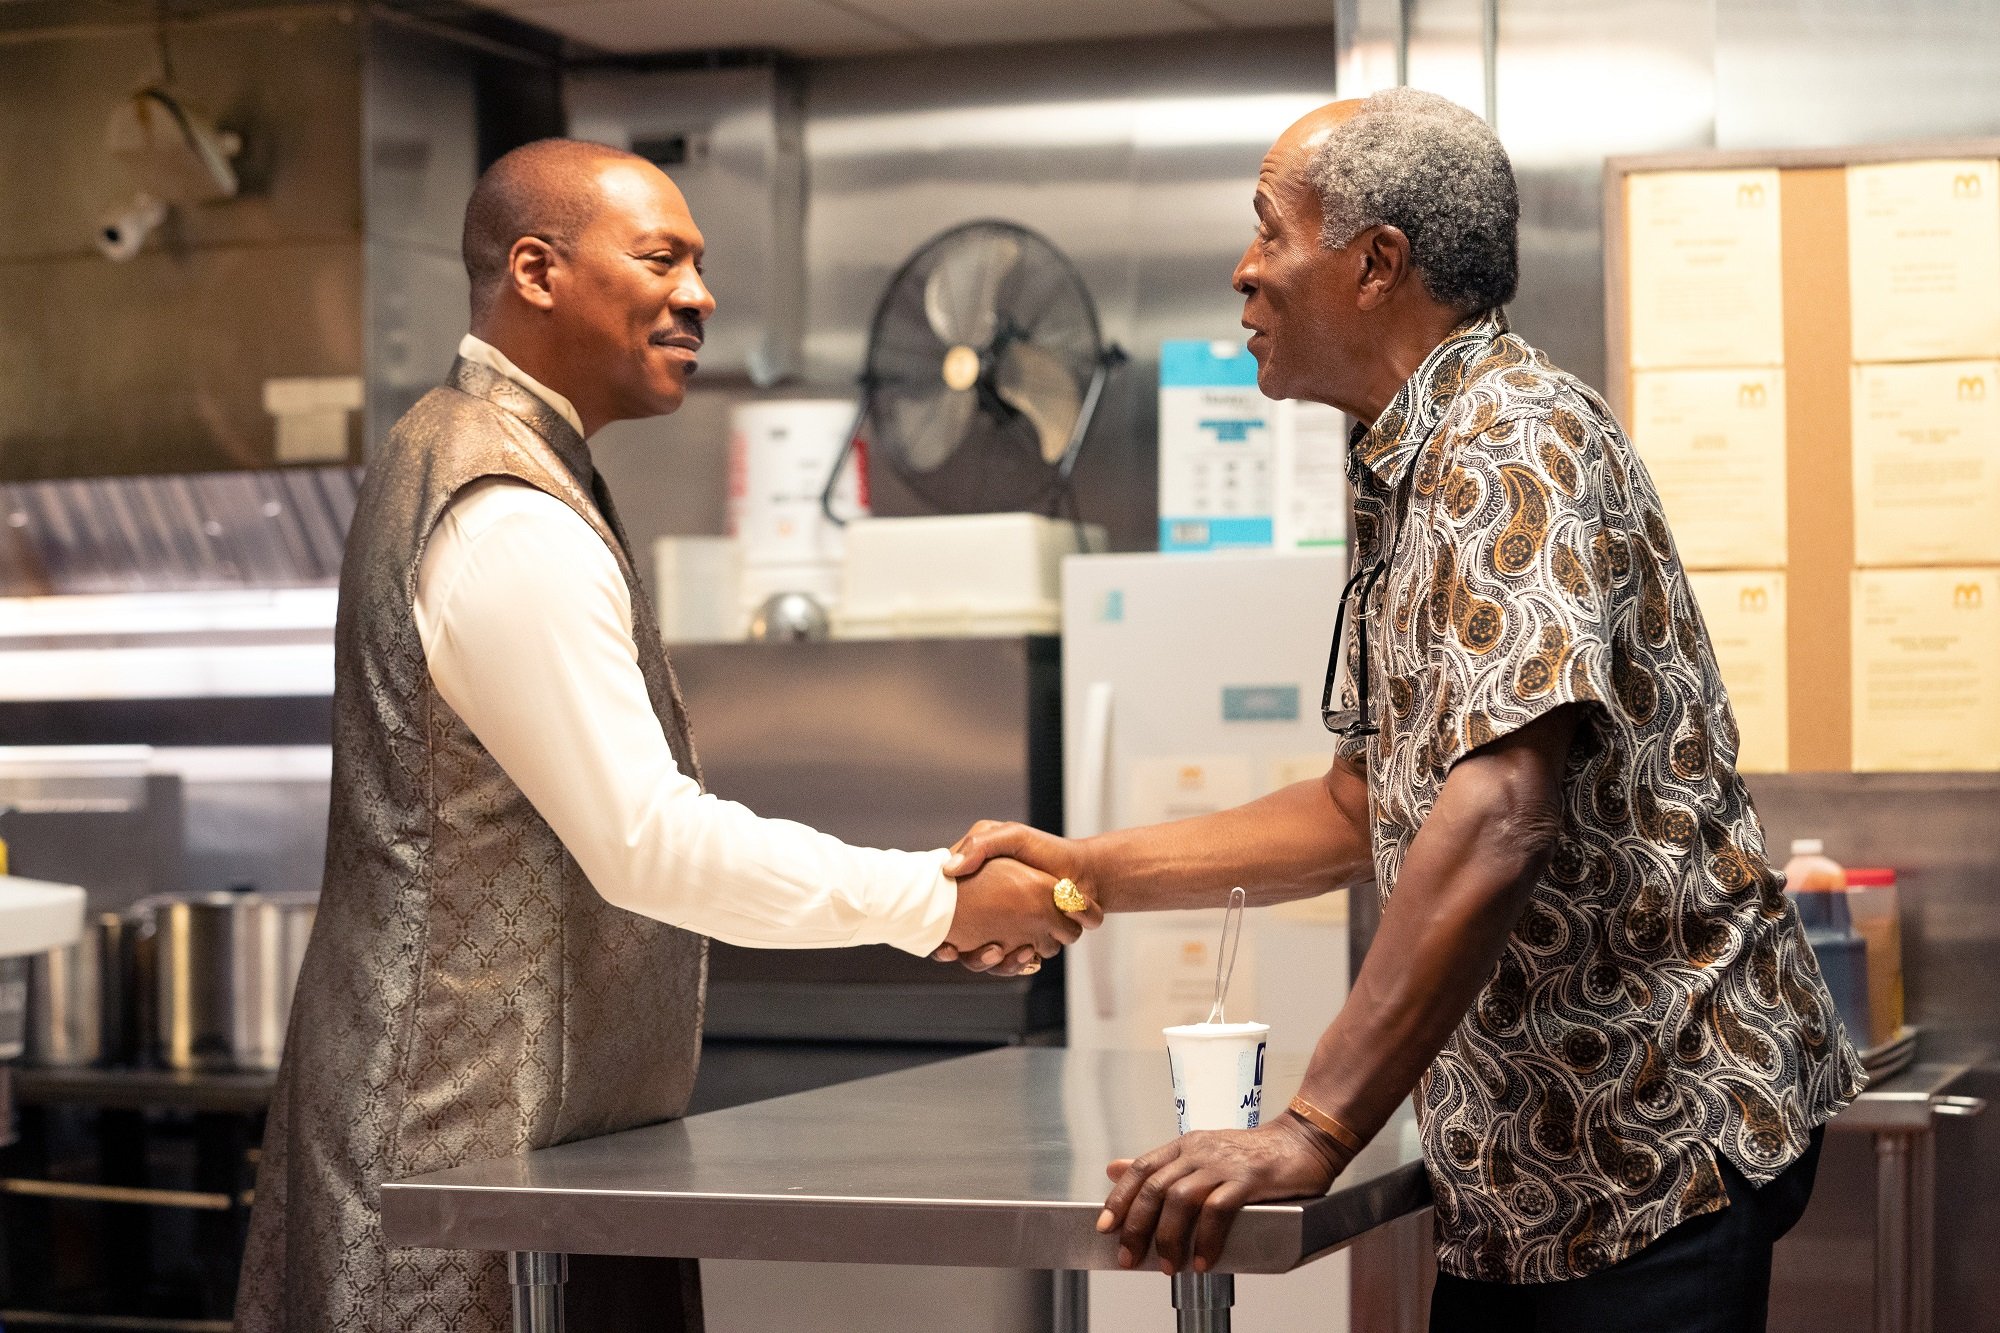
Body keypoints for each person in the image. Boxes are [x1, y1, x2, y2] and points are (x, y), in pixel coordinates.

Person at [943, 90, 1864, 1332]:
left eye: (1269, 230)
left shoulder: (1509, 443)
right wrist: (1086, 872)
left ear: (1375, 265)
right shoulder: (1409, 457)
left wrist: (1311, 1128)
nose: (1242, 270)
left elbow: (1495, 816)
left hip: (1646, 1145)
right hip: (1530, 1175)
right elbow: (1364, 804)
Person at [235, 138, 1092, 1333]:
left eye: (699, 264)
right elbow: (649, 843)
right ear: (535, 271)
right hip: (463, 1143)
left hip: (517, 1142)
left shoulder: (484, 454)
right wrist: (935, 902)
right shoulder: (504, 509)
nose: (700, 296)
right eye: (660, 259)